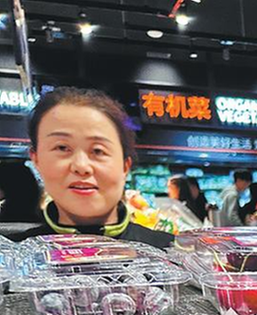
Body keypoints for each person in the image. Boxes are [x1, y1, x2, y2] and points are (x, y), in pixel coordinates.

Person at [14, 87, 172, 247]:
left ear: (125, 166)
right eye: (62, 148)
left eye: (98, 151)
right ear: (36, 159)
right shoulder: (11, 255)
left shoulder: (173, 252)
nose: (81, 166)